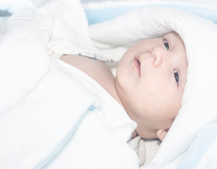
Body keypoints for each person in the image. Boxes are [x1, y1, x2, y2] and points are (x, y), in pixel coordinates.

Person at [60, 31, 188, 141]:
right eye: (166, 44)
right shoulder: (95, 57)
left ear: (169, 131)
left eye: (176, 75)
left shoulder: (114, 141)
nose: (158, 51)